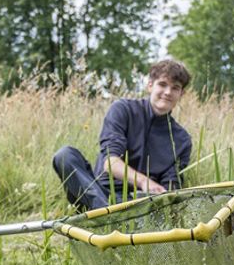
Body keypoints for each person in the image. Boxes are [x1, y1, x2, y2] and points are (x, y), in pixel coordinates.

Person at [52, 59, 193, 212]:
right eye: (162, 84)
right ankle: (106, 214)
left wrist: (164, 194)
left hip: (139, 203)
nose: (168, 92)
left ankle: (113, 217)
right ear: (150, 85)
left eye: (175, 88)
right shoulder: (123, 109)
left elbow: (170, 187)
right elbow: (110, 163)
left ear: (181, 94)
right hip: (99, 194)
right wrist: (143, 181)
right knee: (65, 155)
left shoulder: (182, 140)